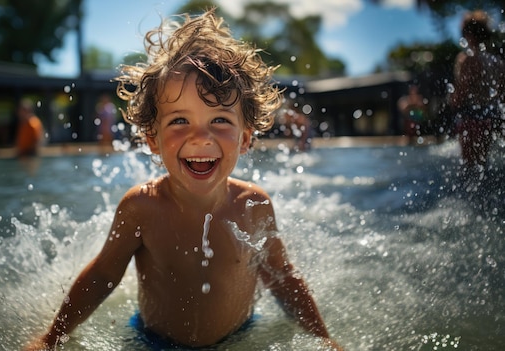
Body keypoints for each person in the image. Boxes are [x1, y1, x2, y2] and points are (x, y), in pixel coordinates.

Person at [24, 9, 341, 351]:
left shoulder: (255, 206)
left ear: (245, 138)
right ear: (152, 140)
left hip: (242, 338)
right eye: (179, 121)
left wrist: (322, 339)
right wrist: (52, 337)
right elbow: (103, 275)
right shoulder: (141, 207)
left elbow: (283, 278)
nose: (200, 138)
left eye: (219, 119)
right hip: (154, 341)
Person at [449, 10, 504, 171]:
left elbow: (460, 95)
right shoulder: (498, 62)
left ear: (468, 34)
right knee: (482, 166)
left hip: (470, 119)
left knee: (469, 169)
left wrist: (452, 99)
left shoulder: (468, 59)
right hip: (489, 118)